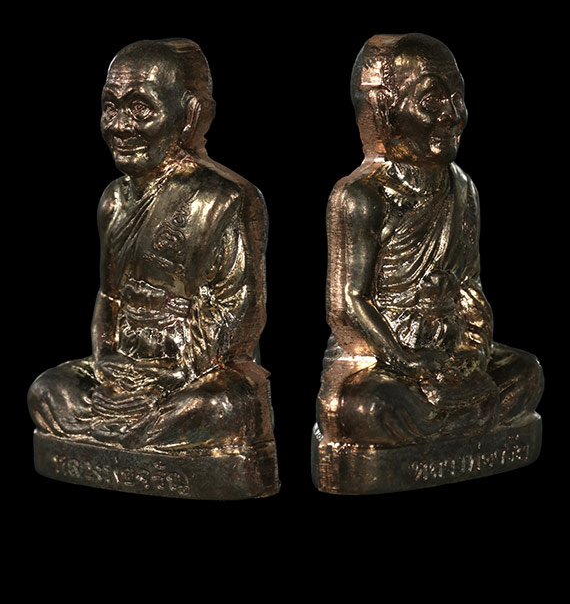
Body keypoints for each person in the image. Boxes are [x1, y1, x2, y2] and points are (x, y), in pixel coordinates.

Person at [28, 39, 276, 453]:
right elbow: (109, 298)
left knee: (231, 403)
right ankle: (130, 432)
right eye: (110, 107)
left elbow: (239, 319)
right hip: (126, 369)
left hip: (188, 375)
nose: (120, 126)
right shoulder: (114, 200)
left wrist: (168, 379)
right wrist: (107, 369)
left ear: (190, 114)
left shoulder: (224, 198)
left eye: (140, 108)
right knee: (48, 389)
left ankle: (133, 430)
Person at [316, 33, 544, 447]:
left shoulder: (462, 188)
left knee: (526, 373)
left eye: (458, 99)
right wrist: (406, 361)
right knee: (366, 407)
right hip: (388, 355)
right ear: (384, 109)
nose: (453, 116)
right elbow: (347, 304)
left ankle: (444, 423)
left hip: (449, 346)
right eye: (432, 101)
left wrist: (471, 353)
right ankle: (455, 419)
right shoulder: (362, 195)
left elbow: (470, 287)